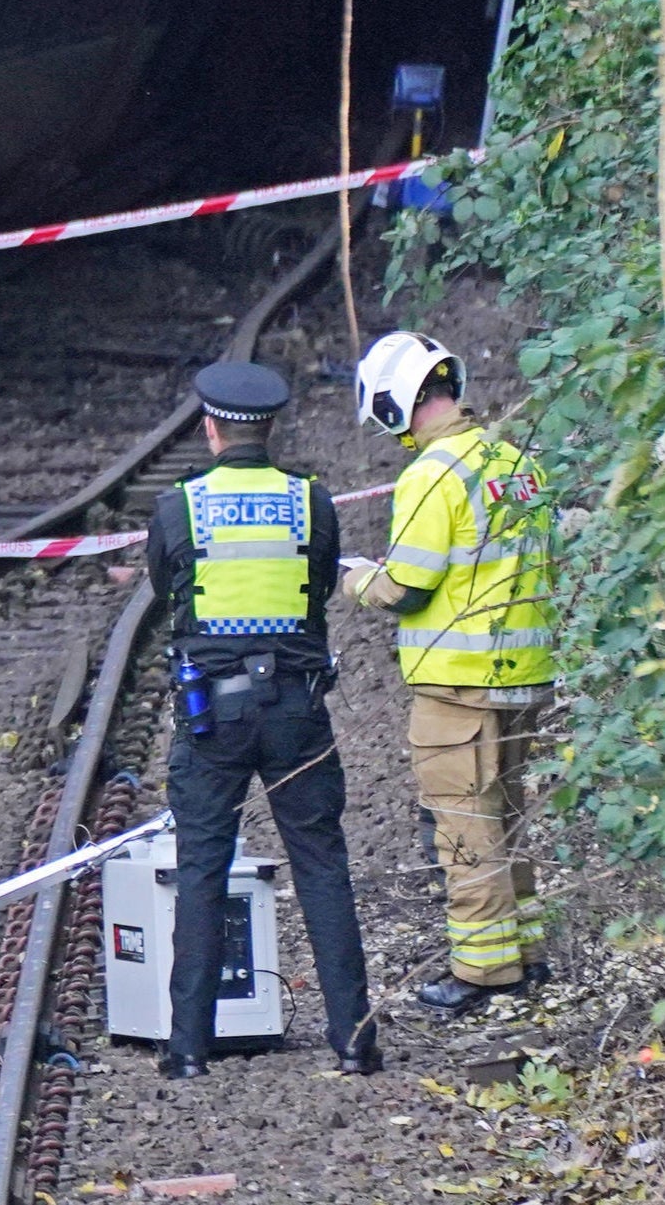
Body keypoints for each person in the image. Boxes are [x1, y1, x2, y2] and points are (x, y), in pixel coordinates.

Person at [144, 359, 377, 1079]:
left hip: (213, 712)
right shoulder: (312, 501)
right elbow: (324, 585)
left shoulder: (181, 505)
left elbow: (165, 585)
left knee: (202, 868)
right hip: (297, 710)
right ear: (270, 428)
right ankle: (356, 1042)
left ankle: (188, 1049)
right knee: (321, 864)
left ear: (210, 427)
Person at [343, 331, 557, 1015]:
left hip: (458, 684)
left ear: (394, 400)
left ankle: (484, 971)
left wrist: (354, 579)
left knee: (464, 827)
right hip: (523, 673)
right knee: (506, 816)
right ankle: (524, 954)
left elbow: (407, 584)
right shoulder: (515, 460)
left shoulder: (433, 473)